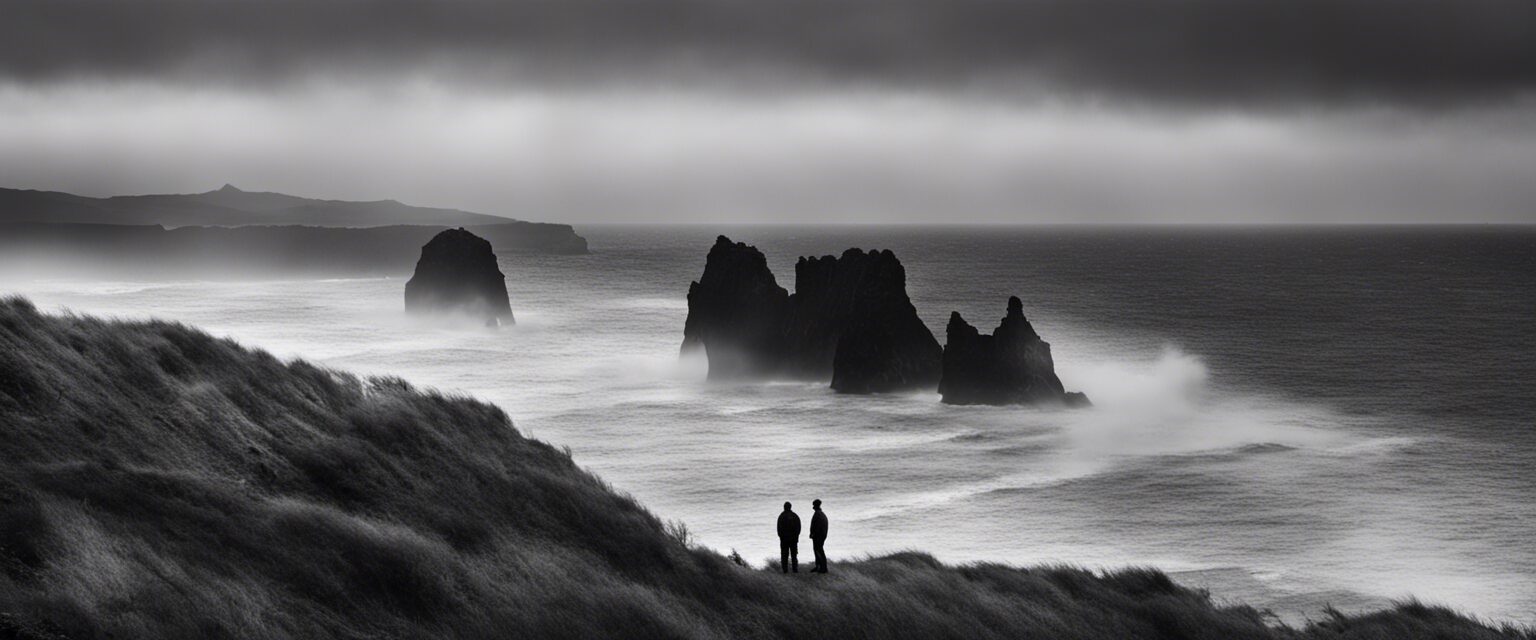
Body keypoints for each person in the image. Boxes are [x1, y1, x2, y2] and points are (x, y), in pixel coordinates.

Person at [777, 501, 801, 573]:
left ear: (784, 507)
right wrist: (796, 536)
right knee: (794, 555)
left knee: (784, 555)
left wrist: (781, 537)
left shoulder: (782, 516)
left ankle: (785, 570)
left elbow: (779, 529)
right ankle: (795, 569)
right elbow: (799, 528)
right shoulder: (795, 516)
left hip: (784, 539)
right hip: (793, 539)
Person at [809, 498, 829, 573]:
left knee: (819, 550)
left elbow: (817, 526)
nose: (813, 507)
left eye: (814, 505)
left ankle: (823, 568)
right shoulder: (821, 514)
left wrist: (813, 534)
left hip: (818, 536)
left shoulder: (818, 514)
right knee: (818, 550)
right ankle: (818, 566)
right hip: (820, 535)